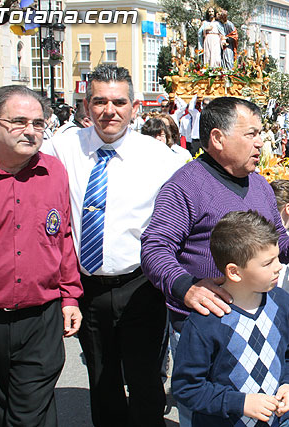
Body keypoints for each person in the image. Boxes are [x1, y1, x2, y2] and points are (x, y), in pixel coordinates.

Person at [140, 96, 289, 427]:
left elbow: (277, 241)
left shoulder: (259, 184)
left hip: (259, 319)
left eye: (260, 133)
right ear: (218, 138)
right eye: (251, 133)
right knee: (210, 412)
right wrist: (186, 287)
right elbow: (155, 247)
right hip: (204, 323)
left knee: (262, 405)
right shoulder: (185, 185)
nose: (260, 141)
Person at [43, 64, 183, 427]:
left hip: (141, 287)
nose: (110, 110)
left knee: (145, 379)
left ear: (135, 107)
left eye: (119, 102)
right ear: (87, 106)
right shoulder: (61, 148)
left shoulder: (160, 159)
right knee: (101, 378)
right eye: (100, 101)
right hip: (86, 287)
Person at [0, 85, 83, 426]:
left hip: (40, 317)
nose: (30, 130)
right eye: (18, 121)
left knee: (32, 412)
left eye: (38, 123)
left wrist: (70, 297)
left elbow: (63, 238)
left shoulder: (54, 172)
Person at [171, 211, 289, 427]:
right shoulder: (206, 321)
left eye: (278, 258)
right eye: (267, 263)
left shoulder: (283, 304)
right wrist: (239, 403)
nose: (279, 267)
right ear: (234, 272)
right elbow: (187, 387)